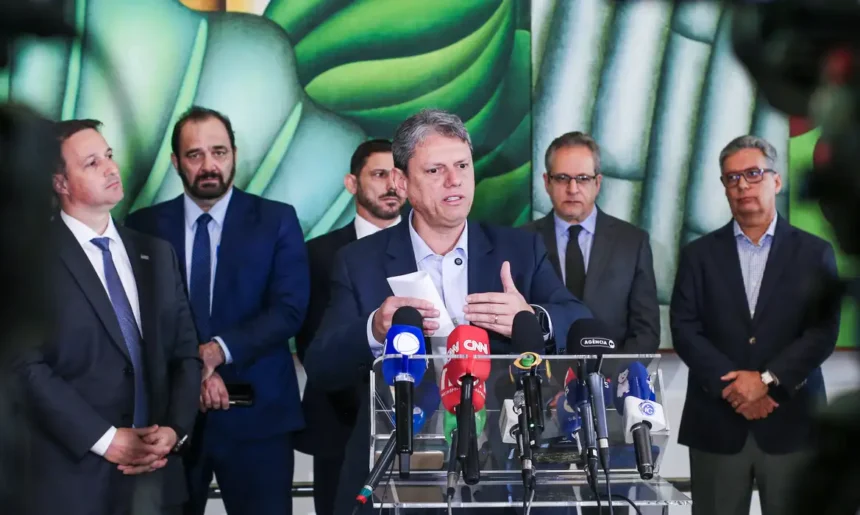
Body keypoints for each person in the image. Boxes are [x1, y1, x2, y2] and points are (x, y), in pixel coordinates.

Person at [303, 108, 592, 514]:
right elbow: (321, 366)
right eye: (435, 170)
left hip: (503, 468)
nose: (454, 180)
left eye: (462, 166)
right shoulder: (359, 261)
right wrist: (373, 329)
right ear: (402, 182)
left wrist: (530, 316)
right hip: (399, 467)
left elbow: (579, 319)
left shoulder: (518, 250)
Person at [125, 107, 310, 515]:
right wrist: (194, 368)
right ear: (175, 161)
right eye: (194, 154)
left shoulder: (276, 219)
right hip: (169, 420)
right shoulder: (142, 227)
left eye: (219, 152)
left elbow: (289, 309)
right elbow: (137, 318)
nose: (209, 165)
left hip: (259, 417)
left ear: (234, 155)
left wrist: (216, 352)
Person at [17, 119, 201, 515]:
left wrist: (175, 430)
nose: (110, 168)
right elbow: (25, 365)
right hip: (71, 484)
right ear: (60, 183)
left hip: (157, 480)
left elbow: (186, 353)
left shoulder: (157, 253)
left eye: (109, 156)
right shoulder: (28, 260)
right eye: (92, 162)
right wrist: (105, 439)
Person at [670, 135, 840, 515]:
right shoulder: (698, 255)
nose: (742, 185)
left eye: (753, 174)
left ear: (776, 181)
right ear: (724, 187)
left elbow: (822, 331)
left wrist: (767, 382)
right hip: (716, 424)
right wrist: (735, 388)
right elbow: (684, 328)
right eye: (732, 178)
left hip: (792, 423)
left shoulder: (814, 253)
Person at [295, 139, 405, 515]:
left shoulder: (425, 248)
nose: (391, 185)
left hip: (415, 422)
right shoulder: (318, 254)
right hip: (338, 422)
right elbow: (312, 339)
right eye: (379, 175)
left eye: (398, 175)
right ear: (351, 183)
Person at [524, 132, 660, 362]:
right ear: (547, 182)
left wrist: (613, 374)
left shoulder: (632, 242)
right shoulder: (523, 241)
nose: (573, 188)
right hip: (543, 377)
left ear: (597, 183)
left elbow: (646, 330)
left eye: (583, 178)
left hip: (613, 377)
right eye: (562, 178)